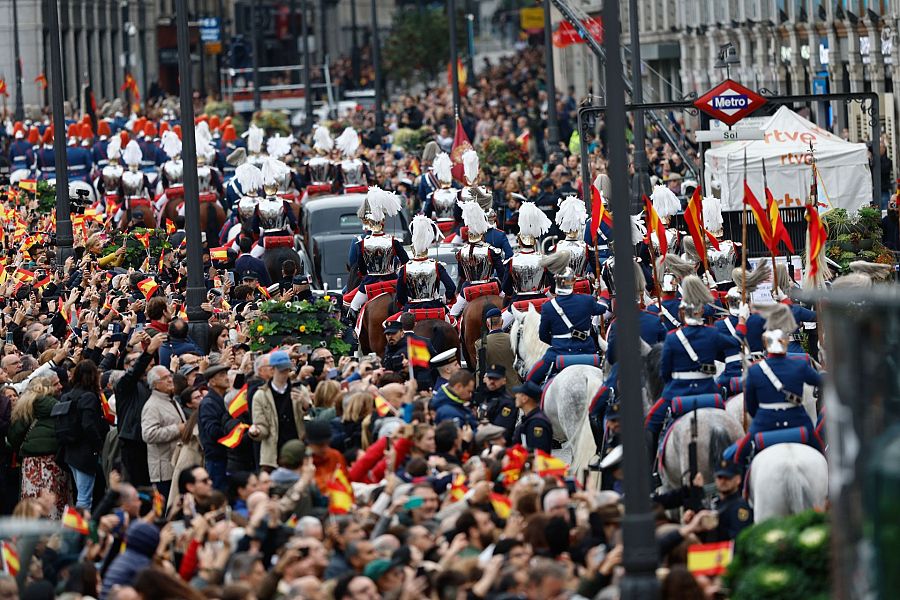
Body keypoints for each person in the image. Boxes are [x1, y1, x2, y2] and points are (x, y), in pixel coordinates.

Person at [644, 275, 736, 450]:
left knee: (650, 423)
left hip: (678, 392)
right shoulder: (712, 333)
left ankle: (651, 472)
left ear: (682, 312)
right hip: (709, 391)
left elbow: (665, 372)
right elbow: (736, 341)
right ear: (700, 311)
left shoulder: (670, 337)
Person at [727, 304, 824, 467]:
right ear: (785, 342)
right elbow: (821, 382)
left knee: (734, 457)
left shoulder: (755, 370)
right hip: (797, 421)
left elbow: (751, 407)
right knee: (822, 453)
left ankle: (741, 489)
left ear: (765, 342)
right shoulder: (800, 365)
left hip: (765, 423)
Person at [525, 255, 607, 384]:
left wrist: (558, 342)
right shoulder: (587, 300)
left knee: (530, 381)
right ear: (573, 281)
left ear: (556, 281)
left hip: (559, 352)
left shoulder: (548, 307)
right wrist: (604, 290)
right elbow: (603, 308)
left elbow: (543, 336)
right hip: (587, 351)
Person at [7, 376, 69, 519]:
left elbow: (14, 435)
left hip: (30, 462)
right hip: (53, 461)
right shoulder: (58, 406)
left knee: (32, 499)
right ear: (48, 388)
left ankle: (31, 532)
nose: (60, 386)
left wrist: (24, 447)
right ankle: (54, 535)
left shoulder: (25, 405)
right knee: (54, 499)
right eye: (56, 384)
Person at [116, 333, 168, 487]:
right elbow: (135, 372)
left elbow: (156, 371)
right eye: (134, 362)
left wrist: (151, 350)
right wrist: (148, 351)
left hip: (149, 441)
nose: (144, 364)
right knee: (138, 486)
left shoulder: (148, 385)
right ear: (126, 366)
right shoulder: (124, 385)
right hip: (133, 442)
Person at [59, 359, 110, 510]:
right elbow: (88, 425)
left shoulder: (67, 395)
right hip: (85, 452)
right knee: (84, 498)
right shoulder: (89, 396)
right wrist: (99, 445)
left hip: (70, 451)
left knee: (81, 495)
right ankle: (79, 533)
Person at [249, 351, 308, 471]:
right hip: (273, 455)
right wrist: (256, 431)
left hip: (297, 449)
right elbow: (262, 426)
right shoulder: (261, 395)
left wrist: (305, 404)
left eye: (287, 369)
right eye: (281, 370)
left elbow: (310, 418)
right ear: (272, 370)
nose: (285, 373)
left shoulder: (299, 389)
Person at [141, 365, 186, 499]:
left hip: (176, 465)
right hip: (164, 472)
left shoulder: (170, 399)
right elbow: (148, 434)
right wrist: (178, 429)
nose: (170, 380)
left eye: (170, 376)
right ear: (155, 384)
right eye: (164, 378)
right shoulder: (152, 406)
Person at [197, 362, 239, 491]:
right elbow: (213, 431)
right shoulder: (209, 403)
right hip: (217, 459)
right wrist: (232, 426)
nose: (226, 377)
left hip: (224, 457)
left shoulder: (222, 399)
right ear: (212, 382)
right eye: (222, 375)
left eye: (226, 374)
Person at [473, 308, 521, 389]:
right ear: (502, 322)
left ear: (487, 324)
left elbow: (480, 371)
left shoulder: (481, 343)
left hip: (494, 389)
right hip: (514, 389)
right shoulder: (513, 338)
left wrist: (480, 391)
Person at [473, 365, 517, 443]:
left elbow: (501, 431)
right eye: (490, 378)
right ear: (485, 379)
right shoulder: (485, 397)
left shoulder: (507, 403)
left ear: (504, 381)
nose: (492, 382)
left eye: (496, 379)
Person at [511, 381, 553, 453]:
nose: (515, 396)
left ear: (525, 398)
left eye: (519, 394)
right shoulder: (529, 419)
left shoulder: (537, 423)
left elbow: (538, 453)